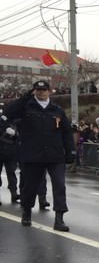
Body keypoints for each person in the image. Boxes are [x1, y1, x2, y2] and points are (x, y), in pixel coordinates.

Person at [3, 80, 74, 230]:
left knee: (60, 186)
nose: (41, 92)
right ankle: (27, 212)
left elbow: (66, 132)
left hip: (54, 155)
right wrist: (24, 98)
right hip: (32, 155)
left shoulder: (57, 110)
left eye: (44, 90)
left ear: (49, 91)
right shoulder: (25, 107)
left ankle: (59, 218)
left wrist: (70, 151)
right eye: (38, 90)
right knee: (30, 187)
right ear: (34, 91)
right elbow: (8, 112)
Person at [0, 104, 20, 204]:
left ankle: (14, 193)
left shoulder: (14, 121)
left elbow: (18, 135)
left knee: (11, 173)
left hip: (11, 151)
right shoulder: (2, 120)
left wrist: (15, 134)